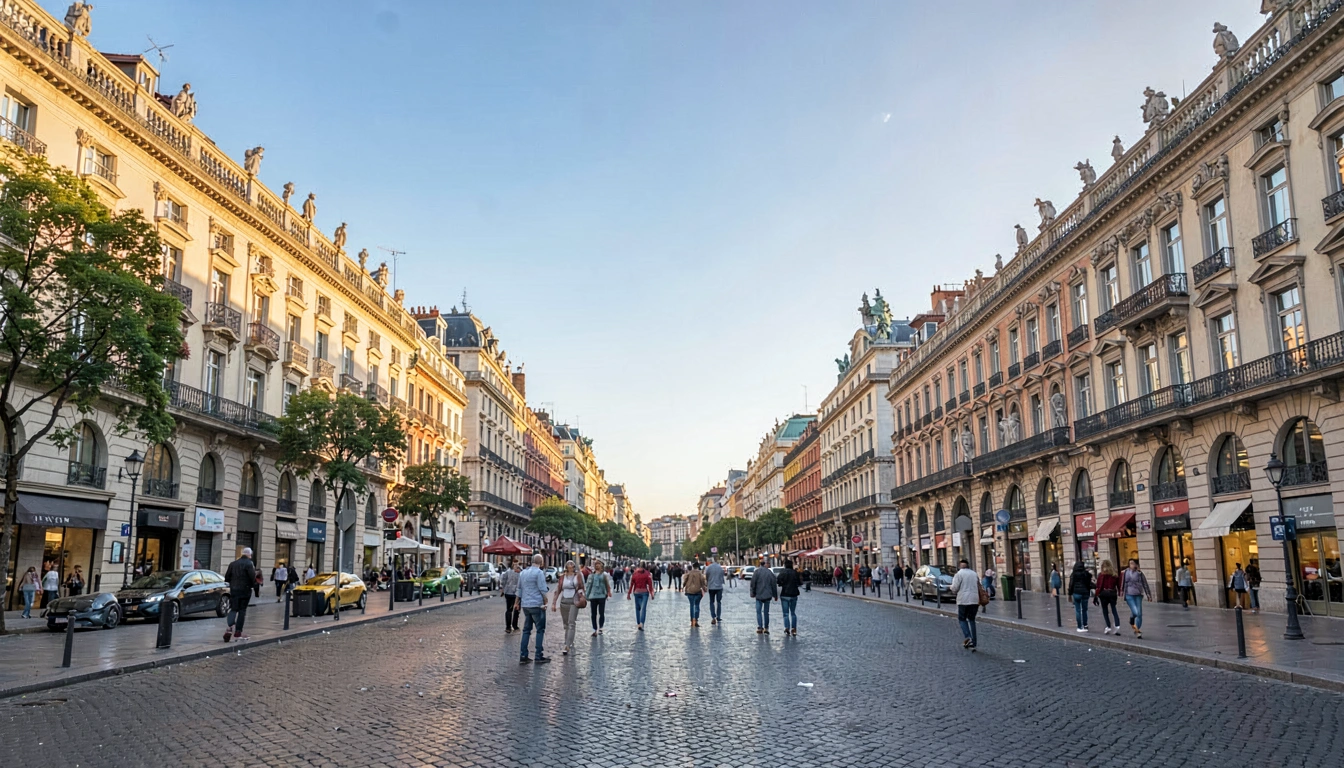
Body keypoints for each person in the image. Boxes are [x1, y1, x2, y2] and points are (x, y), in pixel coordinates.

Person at [518, 554, 550, 664]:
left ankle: (523, 655)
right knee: (540, 630)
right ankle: (538, 655)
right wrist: (545, 600)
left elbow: (519, 589)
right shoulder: (539, 573)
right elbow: (542, 588)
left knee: (526, 630)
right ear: (541, 562)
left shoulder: (523, 573)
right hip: (536, 604)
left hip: (525, 605)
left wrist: (517, 602)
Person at [550, 560, 585, 656]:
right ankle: (569, 640)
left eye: (572, 566)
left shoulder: (578, 576)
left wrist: (581, 593)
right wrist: (554, 603)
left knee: (571, 622)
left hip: (574, 601)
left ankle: (567, 645)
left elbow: (582, 587)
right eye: (569, 566)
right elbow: (558, 589)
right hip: (564, 600)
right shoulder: (562, 577)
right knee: (566, 624)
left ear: (574, 567)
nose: (570, 567)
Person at [223, 547, 256, 643]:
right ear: (249, 555)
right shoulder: (249, 564)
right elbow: (252, 577)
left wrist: (234, 583)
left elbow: (227, 577)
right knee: (242, 610)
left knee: (233, 609)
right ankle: (238, 632)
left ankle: (230, 627)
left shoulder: (233, 564)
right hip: (245, 590)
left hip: (234, 590)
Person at [949, 559, 981, 650]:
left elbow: (955, 588)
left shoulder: (959, 574)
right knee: (972, 620)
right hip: (974, 599)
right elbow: (979, 585)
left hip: (963, 600)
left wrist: (951, 588)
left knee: (962, 619)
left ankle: (968, 637)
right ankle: (974, 642)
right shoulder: (974, 574)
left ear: (959, 566)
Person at [1121, 558, 1153, 639]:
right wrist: (1121, 592)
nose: (1131, 565)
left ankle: (1137, 630)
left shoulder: (1139, 573)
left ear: (1136, 564)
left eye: (1133, 563)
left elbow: (1145, 584)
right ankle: (1132, 619)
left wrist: (1148, 594)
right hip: (1129, 594)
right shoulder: (1126, 572)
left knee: (1139, 614)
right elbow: (1123, 582)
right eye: (1130, 563)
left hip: (1138, 594)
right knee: (1135, 612)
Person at [585, 559, 613, 636]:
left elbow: (607, 585)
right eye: (596, 564)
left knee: (601, 613)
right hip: (593, 596)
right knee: (593, 614)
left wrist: (608, 592)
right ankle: (594, 629)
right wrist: (586, 596)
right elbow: (588, 586)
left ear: (601, 566)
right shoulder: (591, 575)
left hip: (601, 596)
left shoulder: (604, 575)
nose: (597, 565)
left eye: (599, 564)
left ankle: (601, 627)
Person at [750, 558, 778, 634]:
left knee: (758, 612)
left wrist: (752, 593)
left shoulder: (757, 572)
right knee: (766, 612)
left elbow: (753, 583)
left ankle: (760, 627)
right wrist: (775, 595)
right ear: (765, 564)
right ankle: (766, 627)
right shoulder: (770, 573)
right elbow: (773, 585)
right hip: (768, 595)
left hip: (758, 595)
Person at [1094, 560, 1121, 634]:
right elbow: (1118, 585)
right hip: (1112, 593)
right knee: (1114, 609)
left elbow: (1098, 586)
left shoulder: (1101, 575)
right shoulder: (1114, 575)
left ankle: (1108, 626)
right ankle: (1117, 625)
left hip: (1104, 594)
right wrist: (1119, 593)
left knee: (1105, 611)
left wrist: (1096, 595)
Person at [627, 561, 654, 630]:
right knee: (643, 608)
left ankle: (638, 623)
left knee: (637, 608)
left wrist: (629, 593)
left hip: (637, 592)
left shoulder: (635, 573)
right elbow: (650, 584)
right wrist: (651, 593)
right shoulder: (647, 574)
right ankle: (641, 623)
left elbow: (632, 584)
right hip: (644, 592)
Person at [1067, 561, 1093, 632]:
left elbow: (1071, 585)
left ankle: (1079, 626)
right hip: (1085, 593)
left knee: (1078, 610)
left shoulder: (1074, 574)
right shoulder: (1086, 574)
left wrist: (1069, 594)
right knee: (1084, 610)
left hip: (1076, 593)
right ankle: (1085, 625)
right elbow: (1089, 584)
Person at [778, 559, 801, 635]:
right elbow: (800, 582)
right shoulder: (795, 573)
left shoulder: (783, 572)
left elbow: (778, 580)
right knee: (793, 613)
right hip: (794, 594)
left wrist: (782, 583)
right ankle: (794, 628)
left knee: (786, 613)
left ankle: (786, 627)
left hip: (785, 594)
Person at [683, 561, 707, 627]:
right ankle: (696, 619)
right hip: (697, 591)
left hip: (689, 591)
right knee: (697, 605)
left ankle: (692, 620)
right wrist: (704, 587)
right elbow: (703, 581)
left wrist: (683, 586)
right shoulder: (700, 574)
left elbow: (685, 580)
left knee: (691, 605)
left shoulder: (689, 573)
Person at [501, 560, 522, 633]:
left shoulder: (507, 572)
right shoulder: (520, 573)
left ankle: (508, 626)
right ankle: (514, 625)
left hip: (508, 592)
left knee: (509, 609)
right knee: (516, 609)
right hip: (516, 593)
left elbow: (503, 581)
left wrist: (503, 588)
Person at [704, 558, 726, 625]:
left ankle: (713, 616)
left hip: (711, 587)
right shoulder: (720, 567)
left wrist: (707, 583)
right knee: (719, 602)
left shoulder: (708, 568)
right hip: (719, 587)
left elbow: (706, 576)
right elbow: (722, 576)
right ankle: (718, 616)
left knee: (711, 602)